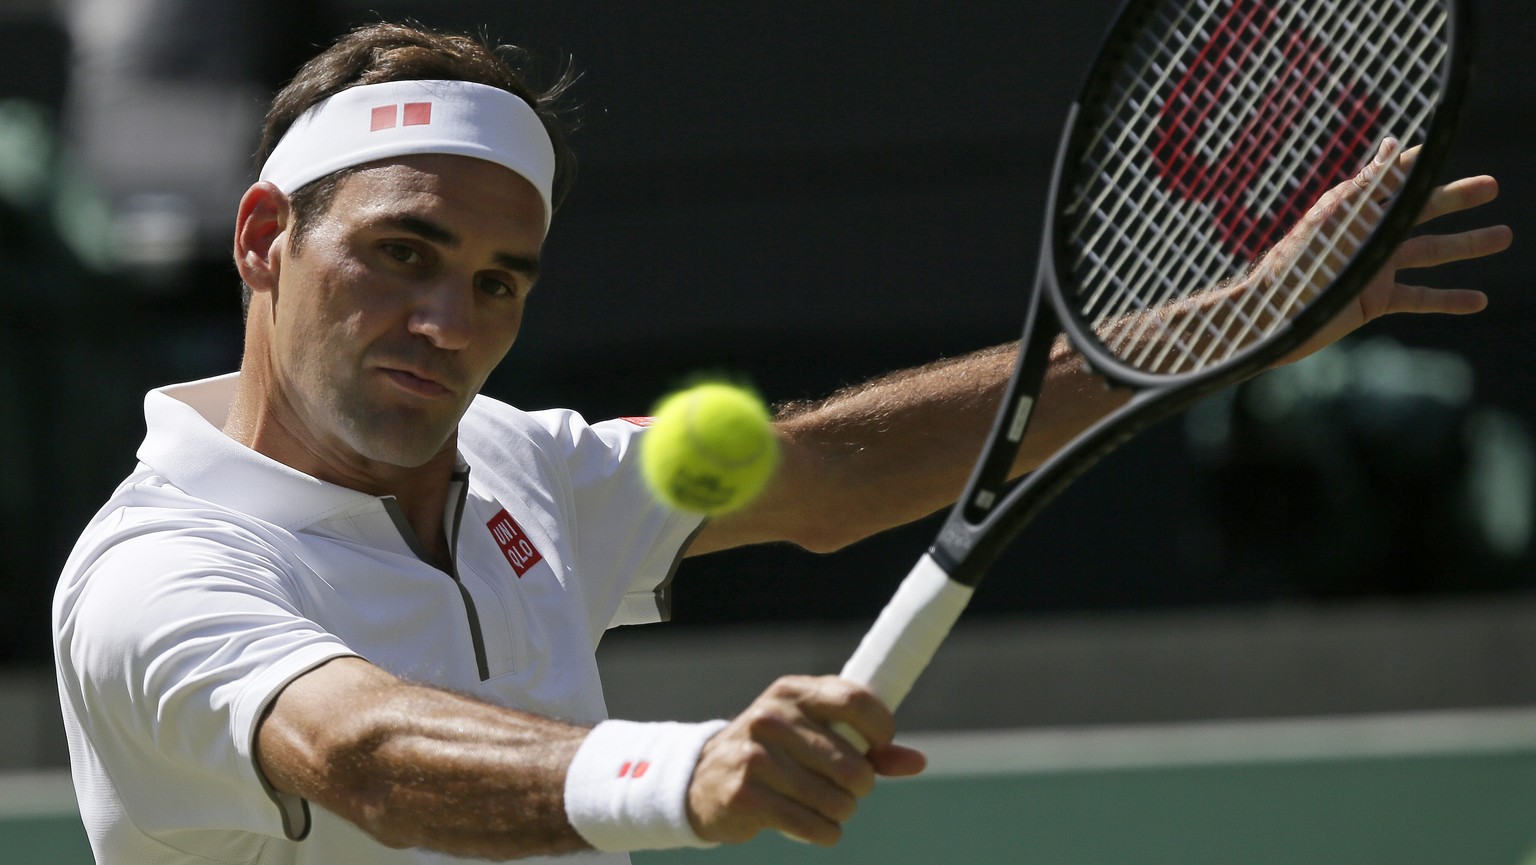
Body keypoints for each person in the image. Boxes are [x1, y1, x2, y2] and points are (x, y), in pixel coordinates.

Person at [52, 21, 1511, 865]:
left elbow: (830, 475)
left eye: (499, 279)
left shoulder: (517, 464)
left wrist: (1234, 321)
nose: (451, 319)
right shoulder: (155, 573)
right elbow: (359, 748)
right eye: (403, 253)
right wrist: (681, 772)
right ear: (264, 239)